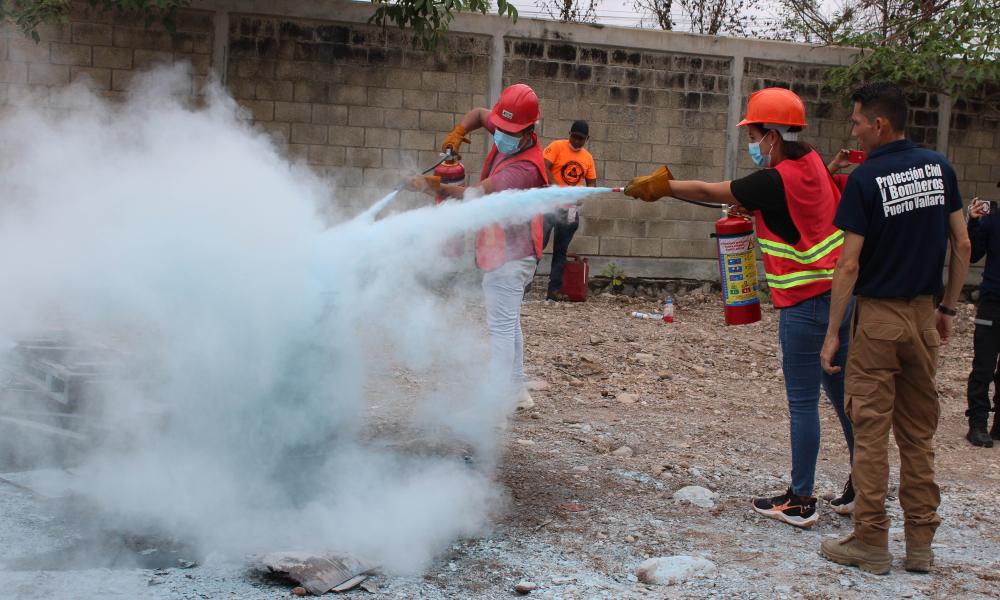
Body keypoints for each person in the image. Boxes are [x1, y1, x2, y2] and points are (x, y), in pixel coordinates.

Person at [623, 87, 856, 528]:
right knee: (843, 398)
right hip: (844, 299)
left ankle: (801, 500)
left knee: (803, 403)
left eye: (752, 132)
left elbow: (713, 190)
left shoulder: (771, 179)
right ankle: (863, 488)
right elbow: (801, 202)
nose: (751, 141)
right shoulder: (809, 162)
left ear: (770, 134)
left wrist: (663, 187)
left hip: (806, 306)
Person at [818, 81, 970, 575]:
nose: (854, 131)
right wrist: (946, 310)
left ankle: (871, 542)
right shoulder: (939, 167)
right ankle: (921, 546)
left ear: (879, 124)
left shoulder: (866, 179)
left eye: (858, 122)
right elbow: (962, 245)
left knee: (871, 433)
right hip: (925, 318)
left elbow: (848, 266)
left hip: (878, 320)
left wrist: (833, 332)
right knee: (918, 436)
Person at [408, 83, 547, 411]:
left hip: (515, 255)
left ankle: (495, 409)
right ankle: (516, 391)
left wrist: (434, 188)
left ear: (529, 131)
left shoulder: (526, 167)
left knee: (500, 328)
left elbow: (476, 195)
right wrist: (457, 131)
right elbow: (479, 115)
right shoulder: (506, 127)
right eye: (502, 128)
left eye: (511, 132)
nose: (502, 136)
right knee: (508, 320)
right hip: (503, 246)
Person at [541, 120, 597, 301]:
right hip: (549, 206)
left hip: (570, 210)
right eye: (574, 137)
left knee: (561, 251)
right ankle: (522, 287)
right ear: (569, 134)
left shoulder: (587, 158)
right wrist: (557, 188)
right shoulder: (557, 147)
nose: (577, 141)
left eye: (581, 139)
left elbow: (592, 183)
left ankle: (553, 291)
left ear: (587, 139)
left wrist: (584, 196)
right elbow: (544, 166)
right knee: (537, 246)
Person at [965, 195, 1000, 447]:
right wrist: (973, 223)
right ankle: (977, 424)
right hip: (992, 304)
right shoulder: (992, 221)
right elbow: (972, 254)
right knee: (983, 367)